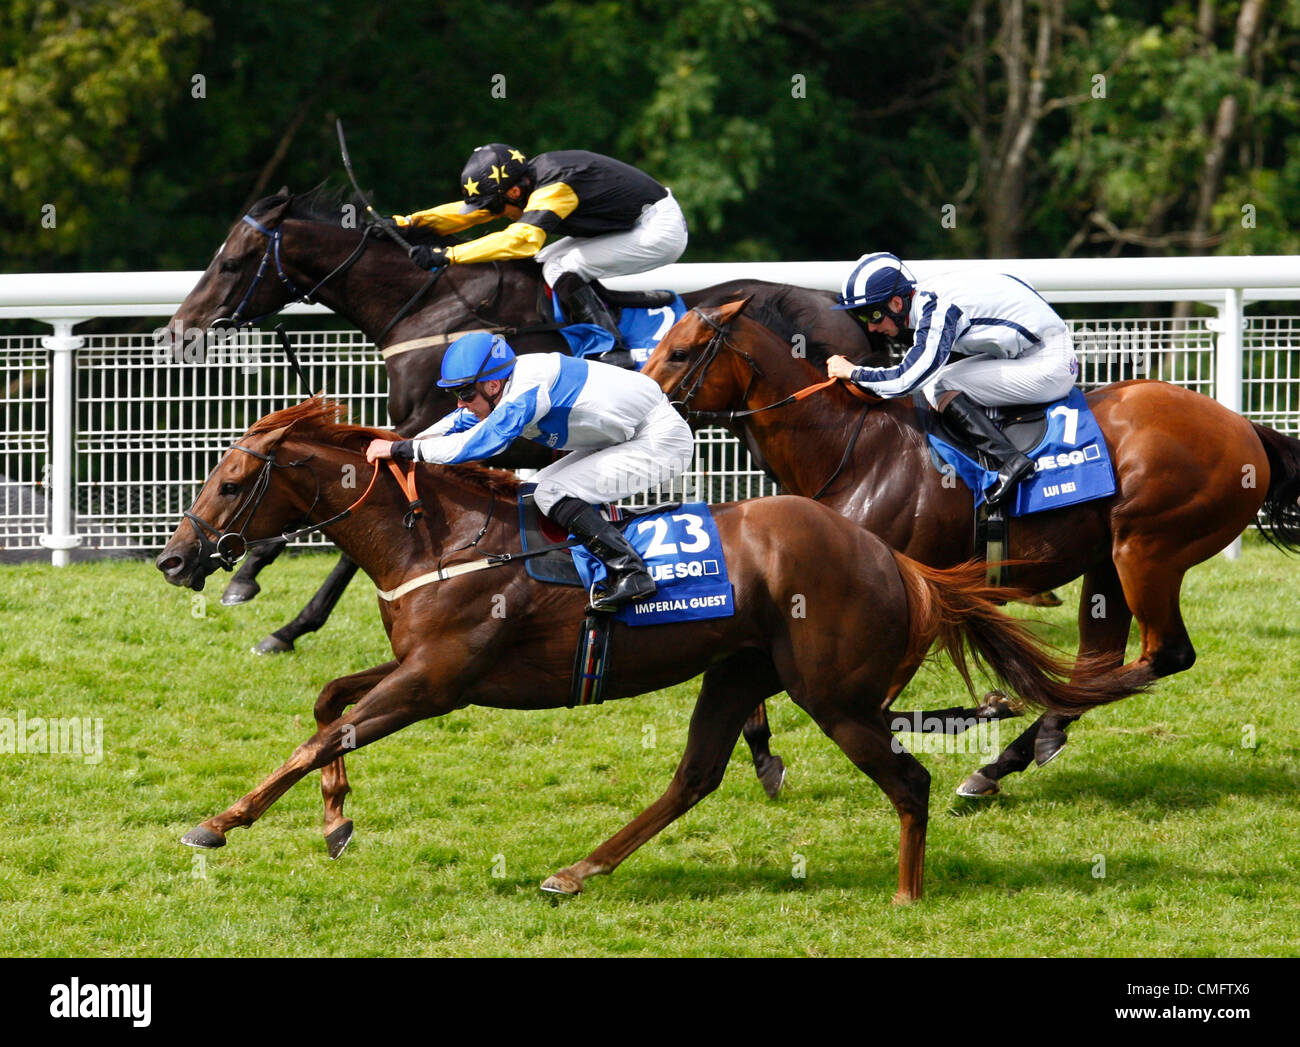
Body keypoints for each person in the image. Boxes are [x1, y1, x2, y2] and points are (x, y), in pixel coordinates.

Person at [365, 330, 695, 611]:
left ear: (492, 385)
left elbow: (476, 446)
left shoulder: (526, 390)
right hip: (622, 437)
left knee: (551, 492)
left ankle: (631, 574)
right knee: (533, 491)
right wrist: (406, 442)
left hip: (658, 441)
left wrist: (401, 449)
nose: (460, 402)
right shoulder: (504, 385)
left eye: (464, 392)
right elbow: (459, 422)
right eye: (455, 393)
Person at [390, 143, 689, 368]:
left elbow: (521, 241)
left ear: (515, 194)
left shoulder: (556, 186)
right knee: (544, 264)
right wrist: (409, 222)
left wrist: (449, 255)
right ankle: (609, 311)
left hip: (658, 229)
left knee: (561, 266)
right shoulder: (526, 180)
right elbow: (470, 213)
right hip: (632, 222)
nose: (493, 214)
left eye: (496, 207)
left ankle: (613, 350)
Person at [826, 252, 1079, 506]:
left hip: (1048, 364)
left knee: (938, 384)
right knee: (944, 378)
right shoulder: (932, 295)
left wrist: (853, 372)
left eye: (872, 315)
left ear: (895, 304)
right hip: (1034, 351)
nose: (871, 327)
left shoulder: (938, 310)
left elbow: (907, 379)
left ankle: (1010, 460)